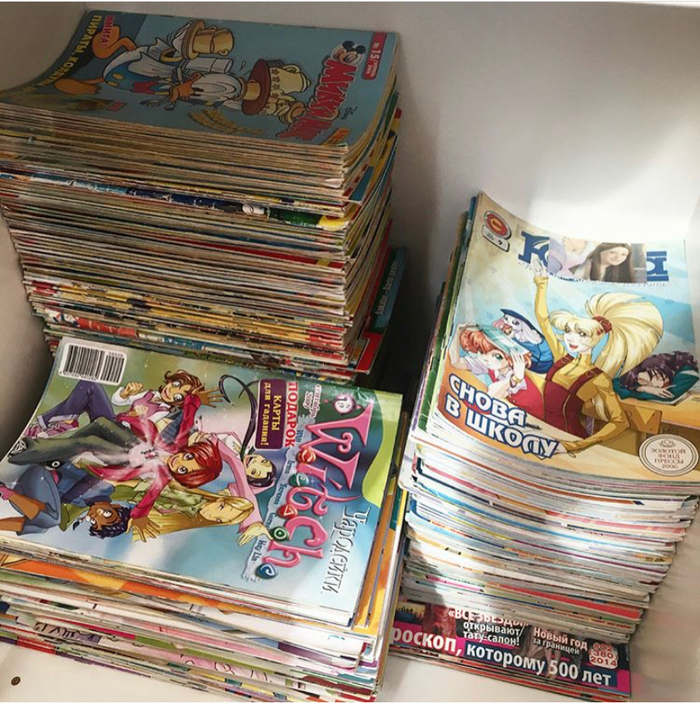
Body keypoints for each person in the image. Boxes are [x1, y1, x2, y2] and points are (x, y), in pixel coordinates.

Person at [533, 266, 663, 453]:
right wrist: (541, 283)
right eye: (568, 331)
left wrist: (579, 445)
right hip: (543, 433)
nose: (572, 338)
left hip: (567, 440)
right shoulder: (562, 358)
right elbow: (543, 321)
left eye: (582, 334)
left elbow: (620, 421)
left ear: (597, 338)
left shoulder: (598, 379)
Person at [448, 324, 545, 420]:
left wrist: (515, 379)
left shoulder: (517, 377)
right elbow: (456, 362)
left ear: (510, 359)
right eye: (481, 352)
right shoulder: (492, 365)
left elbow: (490, 397)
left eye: (497, 356)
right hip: (514, 414)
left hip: (533, 419)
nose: (486, 359)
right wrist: (458, 332)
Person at [614, 351, 699, 402]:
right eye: (647, 384)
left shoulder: (688, 372)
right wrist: (642, 388)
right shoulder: (664, 368)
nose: (658, 384)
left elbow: (669, 395)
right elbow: (614, 383)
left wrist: (642, 390)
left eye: (657, 376)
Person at [493, 309, 554, 373]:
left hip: (539, 365)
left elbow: (547, 357)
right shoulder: (512, 337)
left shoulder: (538, 340)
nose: (509, 325)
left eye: (515, 323)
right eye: (506, 319)